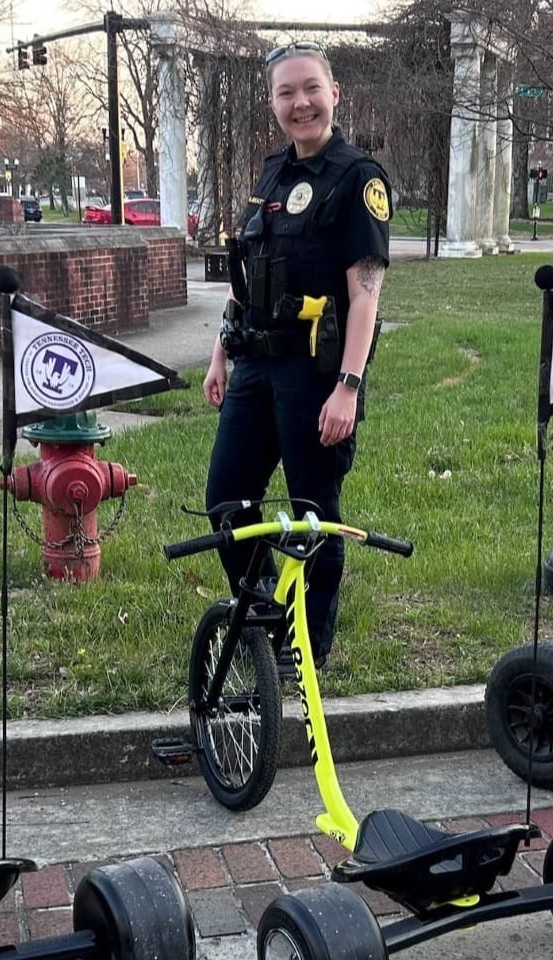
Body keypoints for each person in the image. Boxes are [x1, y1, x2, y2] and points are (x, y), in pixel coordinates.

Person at [202, 41, 391, 669]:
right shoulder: (272, 171)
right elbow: (245, 274)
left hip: (315, 374)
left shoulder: (357, 178)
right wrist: (219, 354)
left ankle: (308, 646)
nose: (300, 102)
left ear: (334, 93)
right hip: (254, 365)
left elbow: (364, 295)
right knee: (227, 501)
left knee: (314, 516)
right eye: (286, 92)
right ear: (273, 102)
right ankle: (261, 614)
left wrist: (350, 385)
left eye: (311, 88)